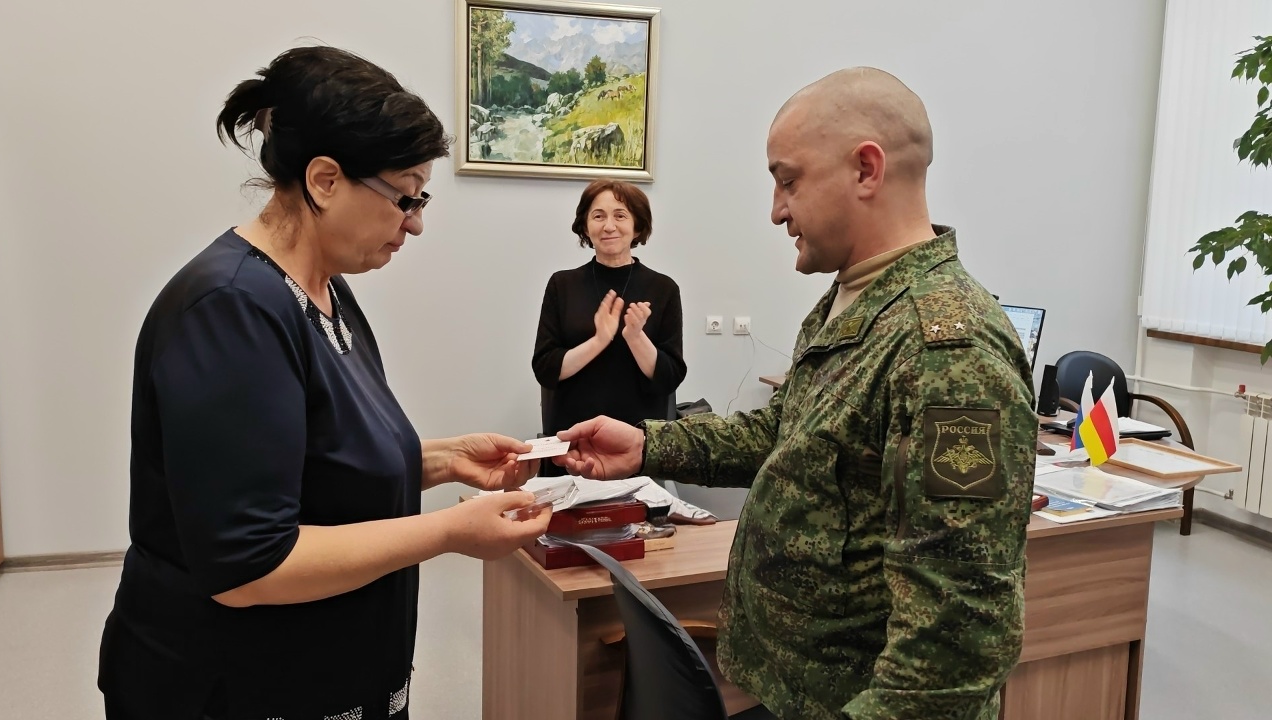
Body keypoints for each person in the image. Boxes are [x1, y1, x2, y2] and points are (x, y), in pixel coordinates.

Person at [556, 68, 1036, 720]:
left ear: (866, 170)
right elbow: (781, 432)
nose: (776, 210)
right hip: (805, 692)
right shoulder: (851, 298)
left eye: (788, 181)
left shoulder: (948, 350)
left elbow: (959, 631)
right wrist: (647, 445)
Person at [97, 46, 552, 720]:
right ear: (325, 180)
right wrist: (450, 532)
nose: (416, 222)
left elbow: (314, 460)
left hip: (334, 670)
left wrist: (443, 458)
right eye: (405, 196)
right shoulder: (231, 309)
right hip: (232, 687)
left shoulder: (325, 292)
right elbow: (251, 565)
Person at [531, 180, 686, 467]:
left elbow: (670, 377)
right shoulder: (562, 285)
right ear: (586, 226)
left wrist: (635, 337)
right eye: (598, 216)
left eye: (620, 215)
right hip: (573, 443)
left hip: (636, 444)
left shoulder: (663, 289)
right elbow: (545, 368)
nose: (609, 226)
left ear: (637, 227)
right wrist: (599, 340)